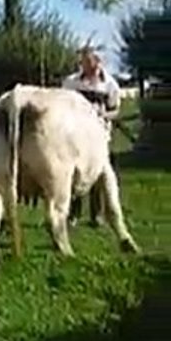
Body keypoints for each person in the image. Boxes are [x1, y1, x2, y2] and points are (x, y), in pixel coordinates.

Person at [61, 45, 122, 226]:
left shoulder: (110, 84)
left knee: (96, 174)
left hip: (99, 136)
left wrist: (103, 116)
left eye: (90, 61)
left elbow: (116, 110)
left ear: (98, 61)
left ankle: (97, 214)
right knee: (74, 173)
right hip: (75, 135)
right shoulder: (71, 83)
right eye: (84, 61)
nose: (87, 64)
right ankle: (73, 214)